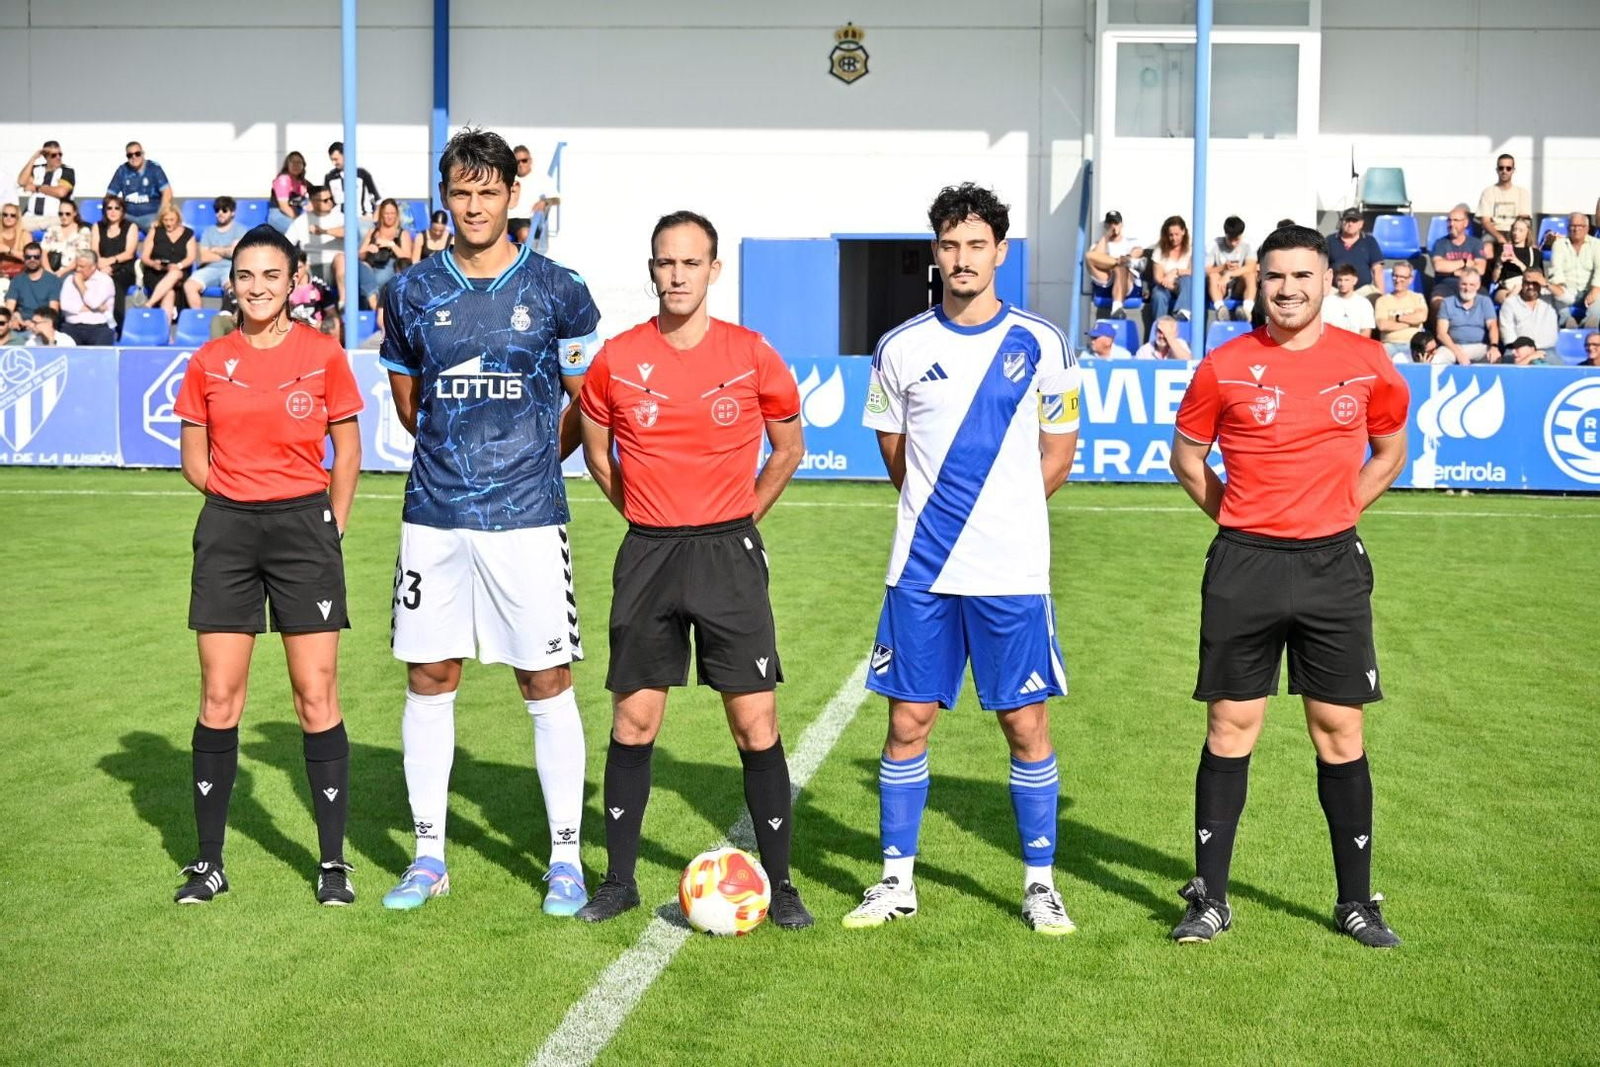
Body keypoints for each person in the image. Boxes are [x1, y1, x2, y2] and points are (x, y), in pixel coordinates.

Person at [842, 183, 1082, 936]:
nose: (962, 259)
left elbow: (1059, 451)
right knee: (908, 721)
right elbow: (893, 450)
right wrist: (943, 515)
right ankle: (896, 880)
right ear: (935, 253)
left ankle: (1040, 885)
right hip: (921, 572)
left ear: (1000, 252)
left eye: (977, 244)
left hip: (1011, 572)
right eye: (950, 245)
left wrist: (1000, 515)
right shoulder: (900, 347)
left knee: (1025, 724)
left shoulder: (1043, 342)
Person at [378, 127, 602, 916]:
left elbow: (585, 404)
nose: (474, 207)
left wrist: (537, 457)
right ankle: (428, 856)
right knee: (430, 676)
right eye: (461, 193)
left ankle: (565, 860)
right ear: (444, 197)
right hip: (435, 516)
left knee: (545, 680)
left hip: (529, 518)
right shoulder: (409, 291)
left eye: (488, 192)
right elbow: (411, 408)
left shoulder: (559, 288)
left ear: (512, 194)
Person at [1167, 223, 1409, 949]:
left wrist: (1341, 510)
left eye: (1303, 275)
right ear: (1259, 281)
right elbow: (1188, 459)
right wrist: (1240, 520)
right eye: (1275, 276)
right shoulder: (1223, 366)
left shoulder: (1367, 363)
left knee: (1339, 731)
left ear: (1328, 281)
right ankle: (1210, 899)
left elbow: (1390, 449)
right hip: (1245, 567)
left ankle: (1356, 902)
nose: (1288, 289)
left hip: (1333, 568)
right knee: (1229, 726)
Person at [573, 210, 813, 927]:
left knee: (755, 722)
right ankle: (618, 880)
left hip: (728, 554)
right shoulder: (617, 358)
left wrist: (741, 517)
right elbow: (596, 455)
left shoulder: (751, 353)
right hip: (649, 553)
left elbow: (789, 448)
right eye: (664, 262)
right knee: (634, 719)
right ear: (651, 269)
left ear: (714, 270)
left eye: (689, 262)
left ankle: (781, 884)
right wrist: (646, 517)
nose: (676, 275)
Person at [170, 223, 364, 905]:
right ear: (233, 283)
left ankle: (333, 862)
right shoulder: (208, 360)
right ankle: (208, 863)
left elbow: (348, 449)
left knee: (316, 693)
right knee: (220, 696)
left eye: (271, 275)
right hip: (228, 533)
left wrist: (331, 523)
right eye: (246, 276)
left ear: (294, 282)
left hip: (304, 532)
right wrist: (239, 499)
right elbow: (194, 457)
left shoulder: (323, 354)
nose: (257, 288)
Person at [183, 197, 246, 308]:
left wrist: (215, 249)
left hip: (230, 268)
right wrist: (227, 251)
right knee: (189, 285)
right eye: (217, 210)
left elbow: (236, 254)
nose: (220, 213)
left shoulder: (240, 230)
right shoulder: (208, 231)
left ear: (233, 212)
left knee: (232, 287)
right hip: (209, 269)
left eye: (224, 210)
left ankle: (227, 315)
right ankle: (199, 315)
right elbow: (204, 257)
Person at [1084, 210, 1145, 319]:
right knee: (1089, 255)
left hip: (1127, 282)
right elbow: (1095, 257)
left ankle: (1117, 307)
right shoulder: (1099, 244)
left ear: (1121, 225)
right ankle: (1127, 262)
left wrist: (1128, 257)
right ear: (1105, 225)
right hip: (1106, 281)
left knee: (1120, 267)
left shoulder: (1131, 242)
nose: (1113, 227)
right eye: (1110, 223)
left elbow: (1138, 251)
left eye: (1116, 223)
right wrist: (1106, 236)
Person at [140, 206, 197, 322]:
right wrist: (153, 263)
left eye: (172, 220)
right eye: (165, 220)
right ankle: (166, 331)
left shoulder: (188, 233)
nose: (169, 223)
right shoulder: (155, 231)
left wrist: (179, 265)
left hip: (180, 271)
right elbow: (144, 256)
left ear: (178, 219)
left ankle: (149, 304)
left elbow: (191, 257)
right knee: (169, 293)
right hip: (157, 273)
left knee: (175, 273)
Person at [92, 195, 141, 327]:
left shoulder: (131, 227)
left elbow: (129, 254)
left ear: (122, 211)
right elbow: (94, 250)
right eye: (109, 208)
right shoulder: (97, 226)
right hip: (101, 267)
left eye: (117, 208)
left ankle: (118, 324)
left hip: (125, 267)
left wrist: (109, 262)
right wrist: (101, 265)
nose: (113, 211)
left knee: (114, 283)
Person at [1546, 212, 1600, 328]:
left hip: (1590, 289)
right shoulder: (1558, 245)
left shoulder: (1596, 244)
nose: (1576, 229)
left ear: (1587, 228)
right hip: (1567, 290)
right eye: (1573, 226)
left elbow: (1599, 269)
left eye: (1580, 226)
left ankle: (1588, 325)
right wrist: (1561, 289)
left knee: (1597, 306)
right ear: (1567, 228)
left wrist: (1595, 289)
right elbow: (1556, 270)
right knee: (1557, 295)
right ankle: (1567, 323)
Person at [1429, 204, 1487, 311]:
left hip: (1471, 285)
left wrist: (1453, 270)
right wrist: (1465, 262)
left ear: (1465, 223)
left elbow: (1480, 269)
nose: (1451, 224)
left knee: (1485, 304)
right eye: (1449, 220)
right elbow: (1438, 266)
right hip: (1446, 285)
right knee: (1437, 304)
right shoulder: (1440, 243)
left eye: (1456, 220)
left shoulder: (1476, 243)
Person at [1435, 269, 1500, 364]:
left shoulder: (1485, 301)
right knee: (1437, 359)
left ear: (1478, 286)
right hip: (1452, 347)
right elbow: (1441, 333)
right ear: (1458, 284)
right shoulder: (1447, 303)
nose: (1467, 288)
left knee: (1495, 358)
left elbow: (1492, 326)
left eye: (1471, 285)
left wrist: (1494, 347)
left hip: (1479, 347)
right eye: (1464, 284)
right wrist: (1458, 353)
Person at [105, 141, 171, 232]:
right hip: (128, 215)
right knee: (113, 232)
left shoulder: (154, 169)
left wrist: (160, 217)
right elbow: (110, 196)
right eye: (130, 155)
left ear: (143, 154)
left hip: (151, 215)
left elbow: (167, 193)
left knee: (159, 234)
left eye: (137, 153)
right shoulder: (122, 170)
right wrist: (115, 214)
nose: (134, 157)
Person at [58, 250, 118, 345]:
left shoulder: (105, 281)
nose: (78, 269)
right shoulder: (69, 280)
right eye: (77, 266)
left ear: (93, 267)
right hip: (71, 326)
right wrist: (89, 308)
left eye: (82, 266)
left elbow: (94, 303)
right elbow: (64, 305)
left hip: (98, 327)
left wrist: (79, 283)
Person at [1205, 216, 1256, 322]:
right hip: (1220, 287)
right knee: (1213, 276)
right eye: (1230, 239)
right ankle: (1220, 309)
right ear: (1225, 234)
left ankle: (1246, 311)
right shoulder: (1214, 244)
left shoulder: (1248, 244)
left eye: (1236, 240)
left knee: (1250, 275)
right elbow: (1206, 270)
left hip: (1238, 287)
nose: (1233, 243)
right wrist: (1223, 268)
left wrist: (1229, 274)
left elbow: (1251, 267)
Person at [16, 140, 75, 231]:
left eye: (60, 154)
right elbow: (21, 182)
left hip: (54, 217)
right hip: (31, 216)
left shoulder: (67, 171)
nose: (58, 157)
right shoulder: (37, 169)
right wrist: (33, 158)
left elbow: (61, 192)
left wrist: (37, 188)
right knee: (13, 228)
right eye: (53, 155)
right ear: (45, 156)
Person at [357, 198, 411, 297]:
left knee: (378, 279)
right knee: (360, 271)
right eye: (386, 213)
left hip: (389, 266)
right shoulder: (373, 231)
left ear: (397, 214)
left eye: (392, 213)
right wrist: (368, 249)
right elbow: (360, 255)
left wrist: (391, 244)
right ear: (381, 214)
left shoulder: (402, 233)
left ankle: (373, 299)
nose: (389, 217)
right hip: (371, 266)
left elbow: (407, 258)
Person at [1374, 262, 1427, 359]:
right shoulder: (1382, 300)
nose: (1398, 280)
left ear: (1410, 279)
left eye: (1402, 277)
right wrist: (1411, 323)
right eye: (1395, 276)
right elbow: (1382, 325)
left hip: (1412, 344)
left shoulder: (1417, 298)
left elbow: (1421, 317)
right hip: (1389, 344)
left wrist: (1397, 318)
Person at [1325, 209, 1384, 295]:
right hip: (1335, 291)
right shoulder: (1330, 240)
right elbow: (1322, 268)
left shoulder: (1370, 241)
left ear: (1361, 224)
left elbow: (1377, 270)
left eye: (1354, 221)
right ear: (1342, 222)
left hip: (1363, 292)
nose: (1350, 224)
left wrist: (1381, 295)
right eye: (1347, 220)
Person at [1476, 154, 1531, 246]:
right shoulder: (1488, 192)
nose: (1504, 171)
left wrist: (1514, 235)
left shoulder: (1522, 193)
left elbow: (1524, 219)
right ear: (1497, 170)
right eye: (1501, 168)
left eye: (1508, 168)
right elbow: (1485, 222)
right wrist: (1499, 237)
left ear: (1513, 170)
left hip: (1515, 230)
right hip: (1494, 231)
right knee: (1486, 246)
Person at [1498, 272, 1559, 354]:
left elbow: (1568, 299)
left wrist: (1546, 284)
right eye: (1527, 283)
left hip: (1547, 350)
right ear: (1522, 284)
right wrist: (1520, 350)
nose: (1530, 286)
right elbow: (1507, 332)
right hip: (1517, 350)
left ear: (1541, 284)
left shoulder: (1551, 300)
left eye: (1534, 283)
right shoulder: (1510, 303)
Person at [325, 141, 379, 230]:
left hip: (362, 221)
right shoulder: (330, 177)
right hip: (339, 223)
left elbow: (379, 200)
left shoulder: (362, 174)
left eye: (336, 159)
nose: (334, 163)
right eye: (332, 160)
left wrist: (372, 218)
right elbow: (328, 201)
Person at [1148, 215, 1193, 321]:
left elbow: (1194, 271)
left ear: (1183, 232)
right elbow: (1158, 277)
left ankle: (1181, 314)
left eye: (1177, 234)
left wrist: (1175, 272)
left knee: (1187, 280)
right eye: (1171, 235)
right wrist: (1172, 287)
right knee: (1158, 294)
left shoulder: (1191, 248)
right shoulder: (1160, 249)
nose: (1174, 238)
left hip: (1184, 286)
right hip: (1165, 286)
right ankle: (1160, 325)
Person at [5, 243, 63, 319]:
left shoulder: (53, 280)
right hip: (21, 322)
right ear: (24, 258)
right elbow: (9, 308)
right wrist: (15, 319)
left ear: (41, 258)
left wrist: (34, 323)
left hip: (43, 322)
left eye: (36, 257)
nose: (32, 260)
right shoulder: (16, 280)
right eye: (28, 257)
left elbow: (53, 313)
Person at [1490, 216, 1538, 303]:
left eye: (1520, 230)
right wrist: (1499, 263)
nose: (1516, 233)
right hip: (1505, 288)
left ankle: (1514, 298)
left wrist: (1518, 263)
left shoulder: (1534, 252)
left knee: (1518, 292)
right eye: (1514, 229)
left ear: (1527, 233)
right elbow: (1494, 279)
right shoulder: (1502, 249)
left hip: (1524, 286)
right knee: (1509, 298)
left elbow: (1536, 277)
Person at [42, 200, 94, 277]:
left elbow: (81, 257)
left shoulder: (83, 232)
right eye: (61, 214)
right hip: (51, 271)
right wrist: (48, 271)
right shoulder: (53, 230)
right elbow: (43, 252)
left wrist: (62, 272)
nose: (64, 217)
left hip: (73, 273)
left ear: (74, 213)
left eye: (68, 214)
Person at [1321, 264, 1376, 337]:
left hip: (1356, 342)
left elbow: (1366, 331)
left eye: (1346, 280)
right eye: (1339, 280)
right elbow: (1324, 329)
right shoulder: (1327, 302)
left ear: (1355, 280)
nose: (1342, 283)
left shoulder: (1364, 303)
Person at [268, 152, 311, 234]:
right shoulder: (283, 179)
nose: (296, 165)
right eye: (293, 162)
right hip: (279, 215)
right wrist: (300, 222)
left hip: (295, 215)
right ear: (287, 164)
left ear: (303, 165)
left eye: (299, 162)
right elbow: (284, 207)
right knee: (301, 232)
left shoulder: (303, 183)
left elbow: (311, 202)